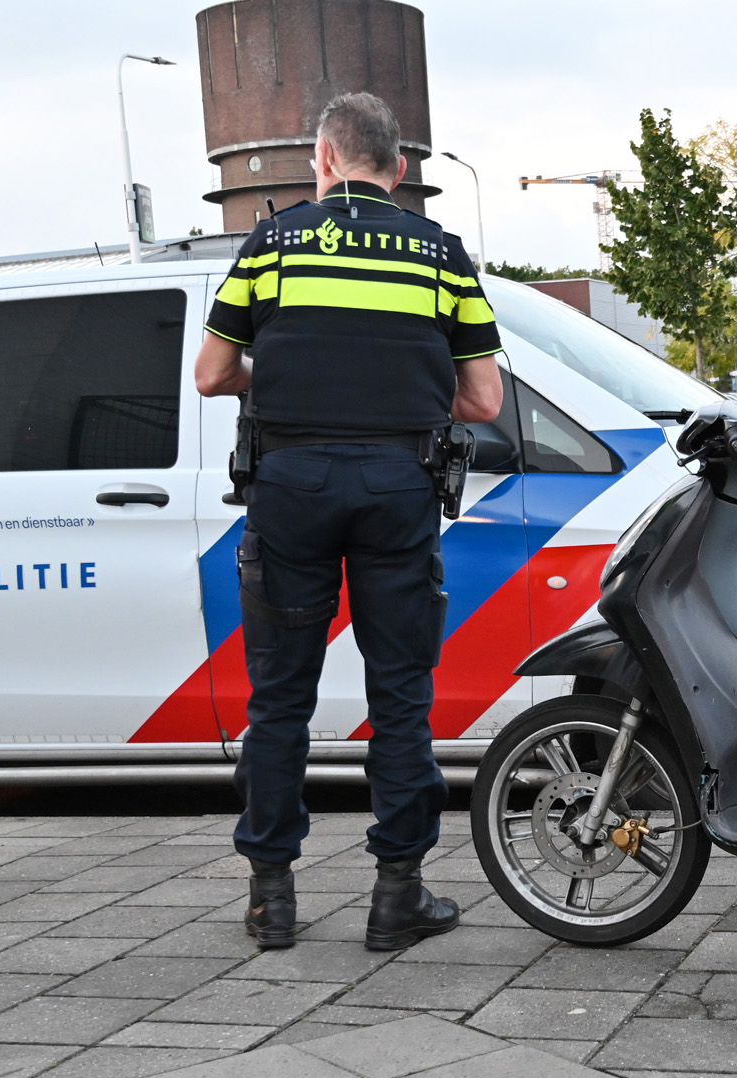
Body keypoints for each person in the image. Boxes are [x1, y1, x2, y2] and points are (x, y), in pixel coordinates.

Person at [193, 91, 503, 952]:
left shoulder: (275, 240)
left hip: (290, 485)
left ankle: (271, 899)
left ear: (323, 161)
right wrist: (392, 388)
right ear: (399, 169)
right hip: (397, 483)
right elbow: (483, 398)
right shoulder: (439, 253)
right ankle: (397, 897)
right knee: (401, 694)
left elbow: (212, 375)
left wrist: (292, 380)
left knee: (280, 694)